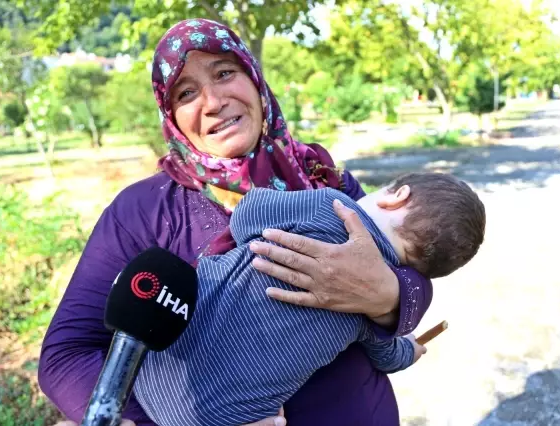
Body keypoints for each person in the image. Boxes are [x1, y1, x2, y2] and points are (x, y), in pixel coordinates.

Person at [39, 19, 434, 426]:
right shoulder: (142, 211)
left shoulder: (321, 174)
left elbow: (414, 264)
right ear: (170, 113)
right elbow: (67, 355)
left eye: (224, 73)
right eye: (186, 92)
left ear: (254, 78)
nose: (212, 102)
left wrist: (385, 295)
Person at [133, 172, 485, 426]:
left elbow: (248, 214)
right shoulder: (368, 309)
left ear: (397, 195)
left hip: (152, 373)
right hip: (225, 417)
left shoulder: (327, 205)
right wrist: (410, 349)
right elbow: (386, 353)